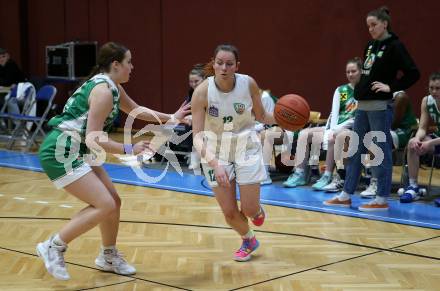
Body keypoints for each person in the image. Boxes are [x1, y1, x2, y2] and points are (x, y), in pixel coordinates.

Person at [36, 42, 190, 280]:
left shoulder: (111, 85)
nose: (132, 66)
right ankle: (53, 246)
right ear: (116, 65)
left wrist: (172, 118)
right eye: (129, 62)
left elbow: (137, 110)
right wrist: (129, 148)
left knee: (113, 202)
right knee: (104, 204)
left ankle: (108, 256)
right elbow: (94, 137)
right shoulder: (104, 91)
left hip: (78, 149)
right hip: (62, 149)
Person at [324, 6, 420, 211]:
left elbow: (413, 73)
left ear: (385, 24)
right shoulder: (369, 46)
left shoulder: (395, 46)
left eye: (374, 25)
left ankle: (381, 199)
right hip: (362, 106)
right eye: (368, 26)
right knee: (355, 149)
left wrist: (391, 87)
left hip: (379, 107)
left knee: (379, 152)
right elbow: (367, 74)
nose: (371, 29)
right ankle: (346, 194)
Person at [191, 44, 276, 262]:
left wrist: (286, 119)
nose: (224, 68)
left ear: (237, 66)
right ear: (213, 63)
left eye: (229, 64)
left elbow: (263, 116)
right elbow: (197, 137)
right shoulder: (201, 92)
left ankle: (256, 210)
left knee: (248, 210)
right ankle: (248, 239)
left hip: (245, 147)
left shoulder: (248, 83)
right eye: (219, 63)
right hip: (215, 152)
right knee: (229, 213)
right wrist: (216, 165)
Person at [283, 58, 361, 190]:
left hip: (352, 129)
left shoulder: (364, 91)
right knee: (304, 133)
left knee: (333, 137)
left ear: (361, 72)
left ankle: (327, 175)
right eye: (348, 72)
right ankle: (300, 173)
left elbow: (357, 117)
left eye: (353, 71)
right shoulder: (341, 90)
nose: (350, 74)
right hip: (335, 126)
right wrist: (331, 129)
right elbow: (334, 113)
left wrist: (335, 130)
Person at [360, 90, 418, 197]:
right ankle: (349, 176)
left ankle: (376, 182)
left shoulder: (400, 96)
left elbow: (393, 124)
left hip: (404, 132)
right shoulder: (379, 93)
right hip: (387, 129)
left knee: (376, 138)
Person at [400, 72, 440, 204]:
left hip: (436, 140)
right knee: (412, 144)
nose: (434, 91)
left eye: (438, 88)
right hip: (437, 139)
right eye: (431, 88)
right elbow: (422, 127)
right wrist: (417, 138)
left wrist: (430, 143)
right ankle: (413, 187)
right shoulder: (426, 101)